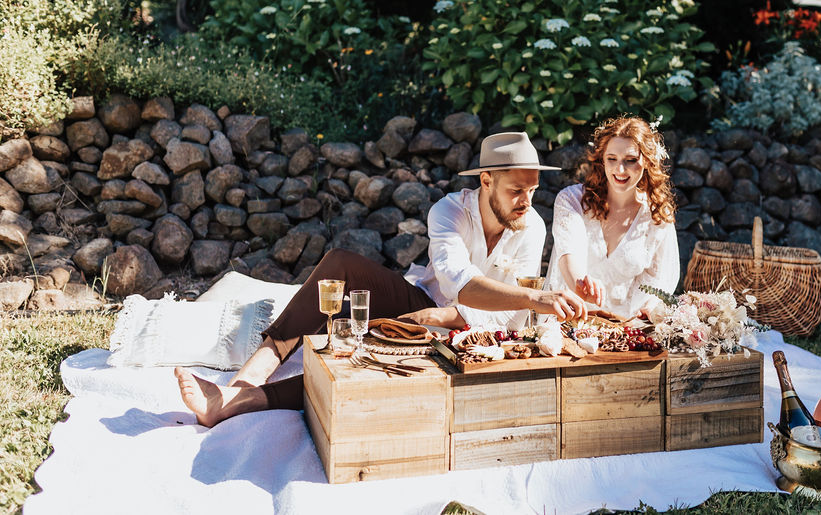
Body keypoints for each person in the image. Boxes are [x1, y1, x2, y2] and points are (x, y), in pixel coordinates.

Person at [175, 132, 590, 426]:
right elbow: (460, 281)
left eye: (533, 191)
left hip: (463, 333)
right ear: (486, 181)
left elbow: (511, 320)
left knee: (370, 363)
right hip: (420, 302)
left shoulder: (532, 226)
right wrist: (530, 300)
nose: (527, 202)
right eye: (517, 190)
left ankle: (240, 403)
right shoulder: (448, 211)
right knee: (340, 264)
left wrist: (451, 318)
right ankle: (246, 378)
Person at [547, 116, 679, 320]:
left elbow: (660, 280)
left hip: (624, 330)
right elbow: (567, 254)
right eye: (612, 159)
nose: (620, 170)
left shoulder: (657, 215)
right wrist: (580, 283)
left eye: (631, 160)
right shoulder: (571, 200)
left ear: (647, 160)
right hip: (569, 320)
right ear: (602, 159)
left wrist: (650, 309)